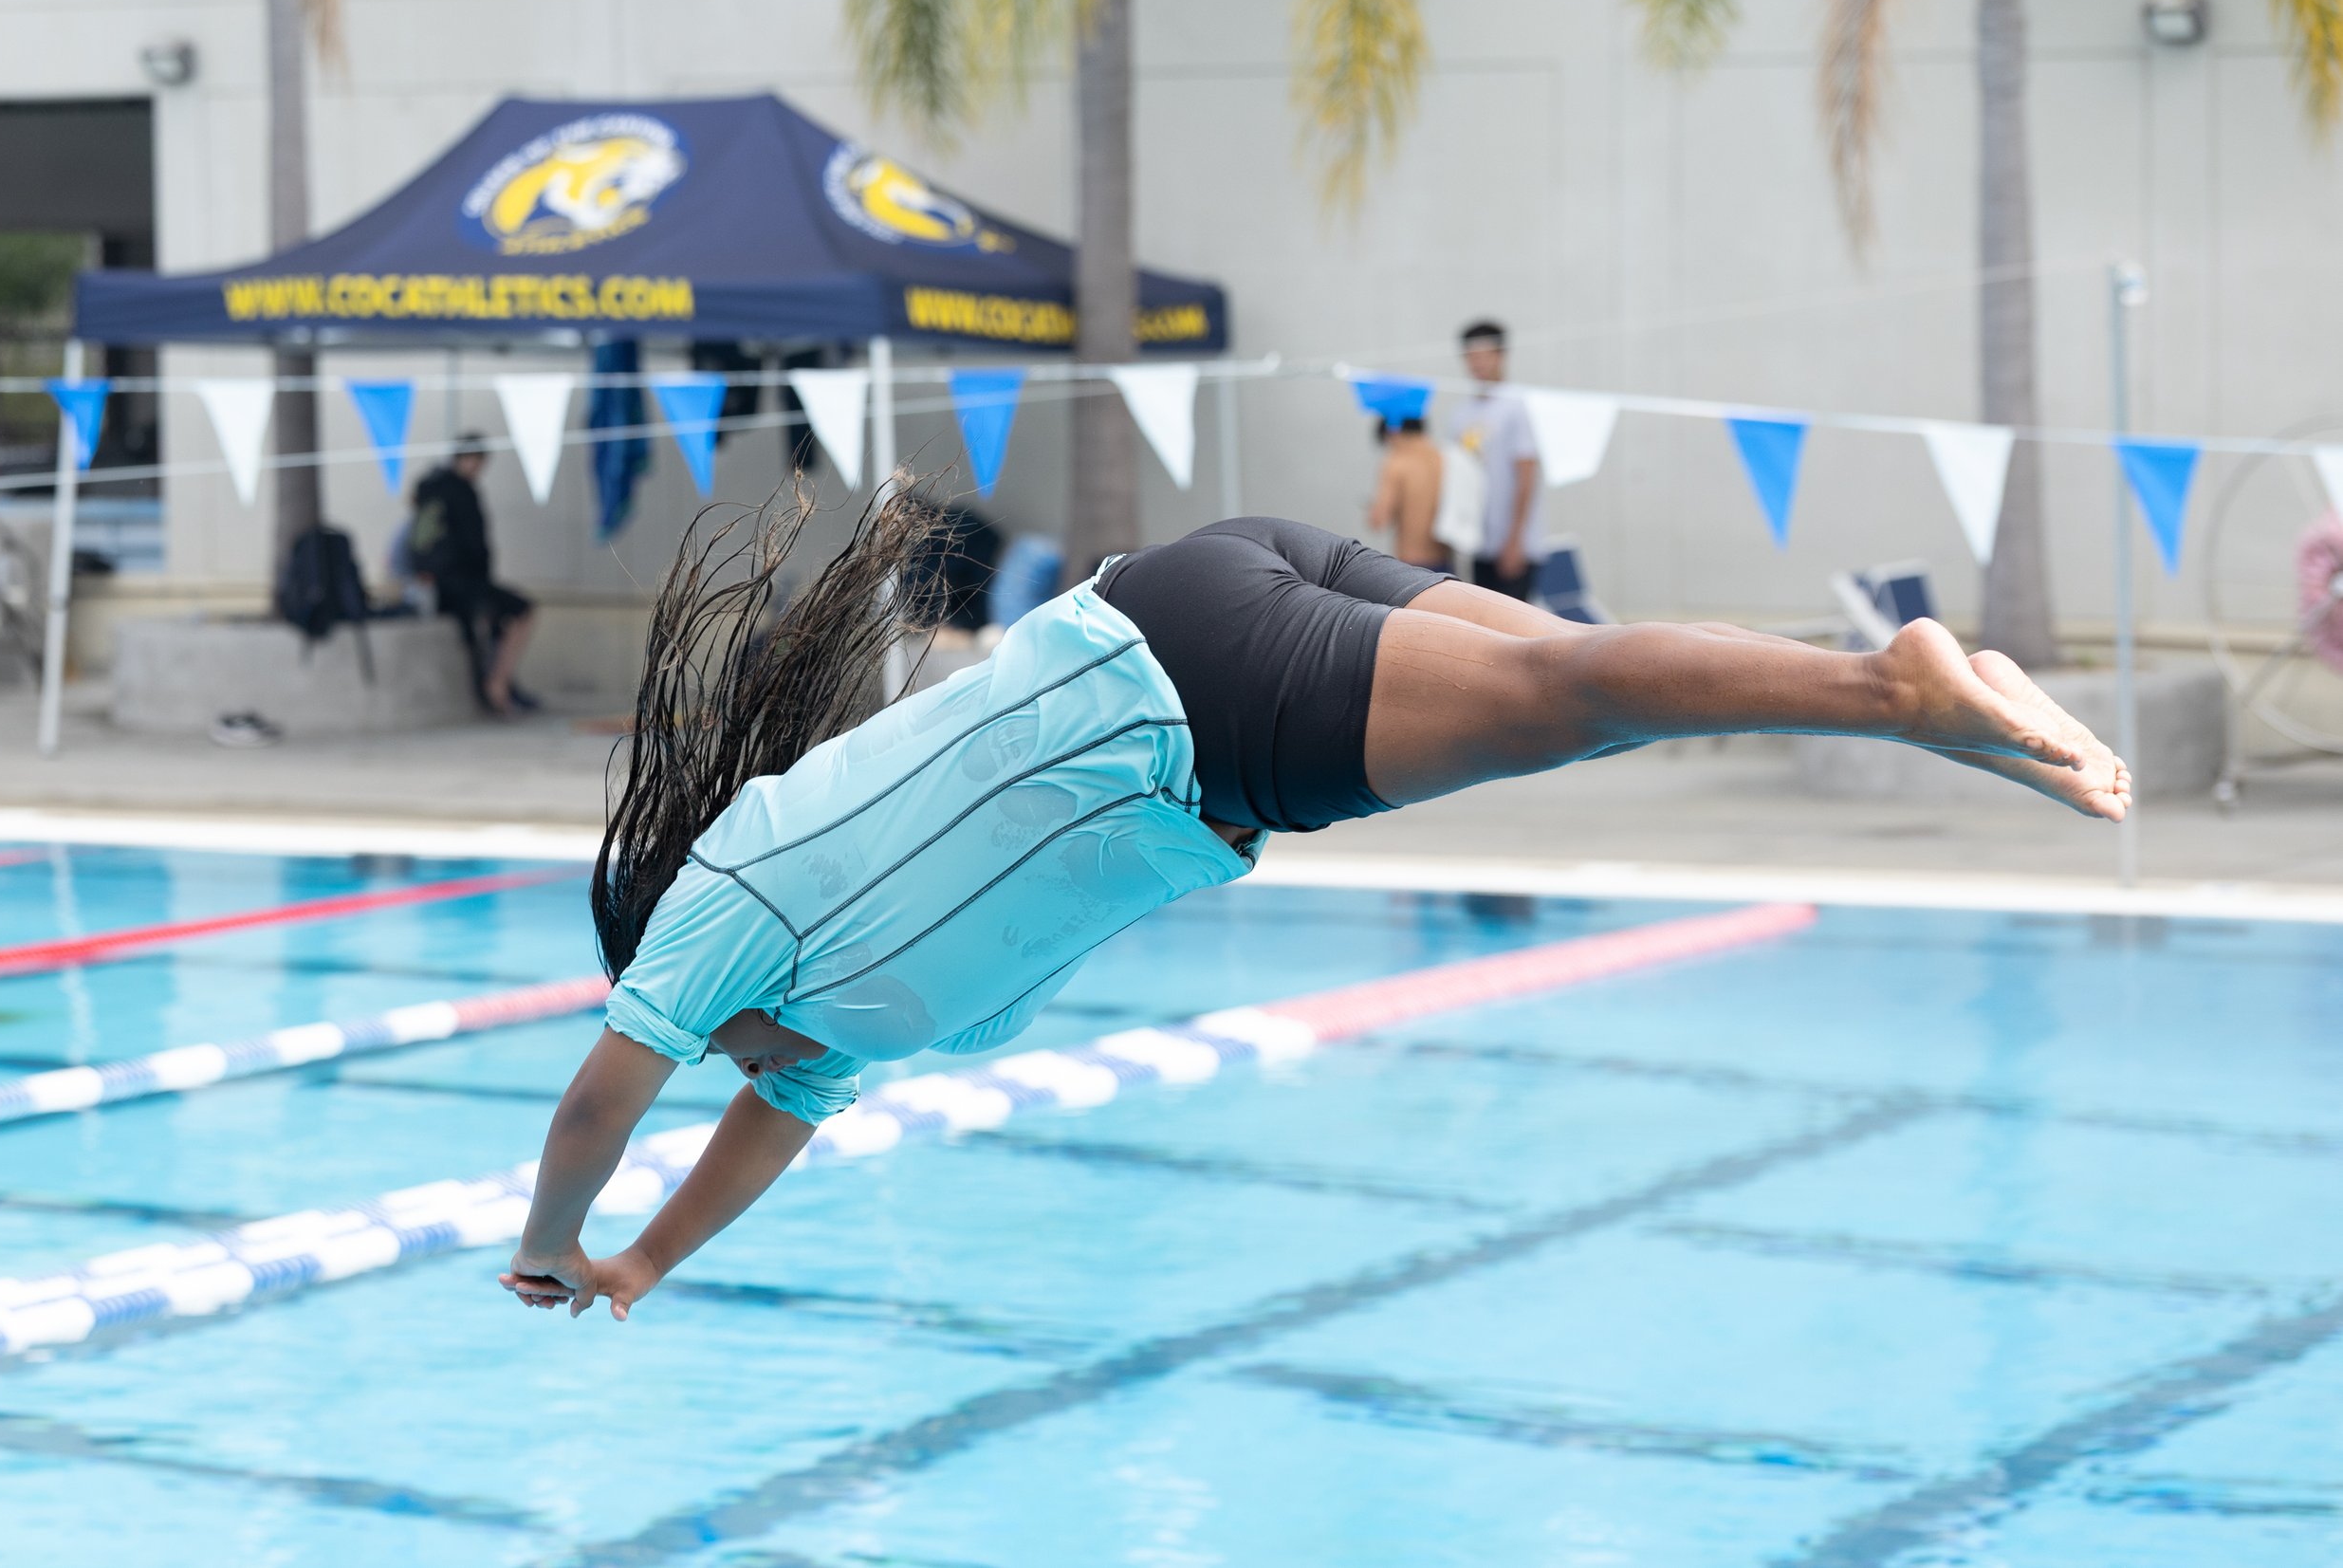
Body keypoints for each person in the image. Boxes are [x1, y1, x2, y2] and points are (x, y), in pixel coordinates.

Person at [499, 495, 2129, 1322]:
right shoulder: (816, 1026)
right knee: (1575, 691)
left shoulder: (725, 902)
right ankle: (1923, 704)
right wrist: (640, 1261)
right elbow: (757, 1135)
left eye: (704, 1041)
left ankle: (1892, 688)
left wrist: (548, 1244)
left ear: (682, 985)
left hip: (1185, 713)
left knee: (1557, 699)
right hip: (1185, 620)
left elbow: (599, 1094)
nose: (734, 1069)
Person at [406, 433, 539, 714]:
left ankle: (502, 683)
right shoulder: (455, 492)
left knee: (499, 623)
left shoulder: (436, 489)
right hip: (458, 583)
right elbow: (464, 545)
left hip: (454, 581)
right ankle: (498, 685)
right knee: (521, 612)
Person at [1445, 320, 1546, 600]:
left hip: (1513, 545)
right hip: (1479, 542)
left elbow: (1526, 473)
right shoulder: (1461, 414)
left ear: (1501, 355)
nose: (1476, 363)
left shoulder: (1517, 405)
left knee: (1516, 634)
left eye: (1483, 355)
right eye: (1470, 356)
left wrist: (1515, 539)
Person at [1365, 415, 1453, 572]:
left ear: (1393, 433)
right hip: (1445, 561)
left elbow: (1379, 521)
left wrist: (1373, 508)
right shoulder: (1445, 458)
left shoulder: (1397, 463)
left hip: (1413, 563)